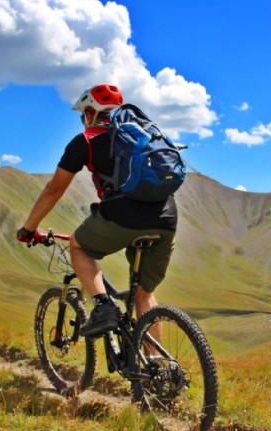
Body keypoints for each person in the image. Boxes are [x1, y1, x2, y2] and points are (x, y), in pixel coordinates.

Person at [17, 83, 178, 338]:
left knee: (78, 246)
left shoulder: (86, 140)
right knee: (144, 295)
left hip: (123, 216)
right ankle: (155, 368)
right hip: (166, 218)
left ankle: (103, 307)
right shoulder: (147, 135)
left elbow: (53, 190)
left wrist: (29, 229)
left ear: (91, 113)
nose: (83, 121)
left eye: (83, 115)